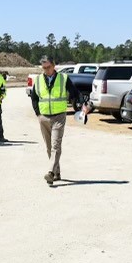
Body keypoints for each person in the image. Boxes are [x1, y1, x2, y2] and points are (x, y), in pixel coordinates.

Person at [31, 55, 88, 186]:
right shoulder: (39, 80)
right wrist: (38, 114)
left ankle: (50, 173)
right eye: (44, 68)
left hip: (58, 117)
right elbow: (34, 97)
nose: (46, 70)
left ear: (54, 65)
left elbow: (74, 93)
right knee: (49, 147)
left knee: (55, 146)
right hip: (44, 117)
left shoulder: (63, 79)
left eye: (48, 67)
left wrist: (81, 105)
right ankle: (57, 173)